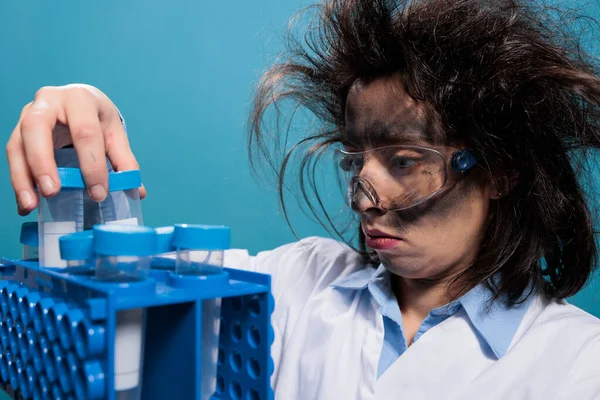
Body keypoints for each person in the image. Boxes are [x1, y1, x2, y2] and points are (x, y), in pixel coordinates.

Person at [7, 0, 600, 398]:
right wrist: (77, 132)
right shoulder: (298, 283)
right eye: (355, 160)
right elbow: (129, 300)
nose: (365, 199)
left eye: (403, 162)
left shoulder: (579, 364)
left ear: (500, 171)